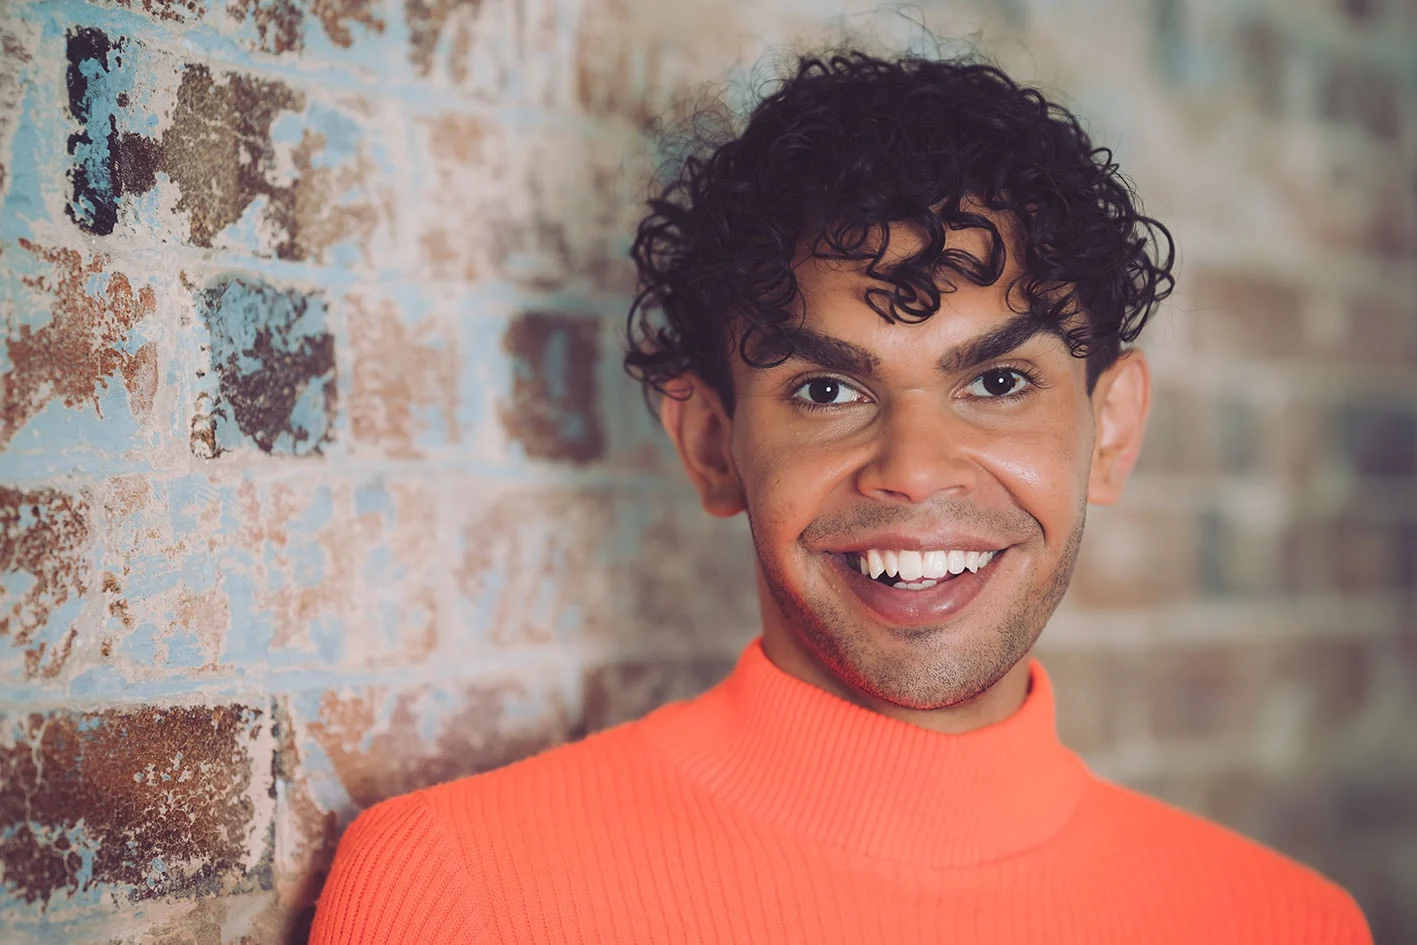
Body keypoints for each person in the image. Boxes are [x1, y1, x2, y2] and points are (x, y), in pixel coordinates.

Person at [309, 51, 1371, 943]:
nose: (912, 466)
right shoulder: (454, 889)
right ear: (713, 445)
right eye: (826, 388)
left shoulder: (1286, 923)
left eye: (997, 382)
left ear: (1113, 428)